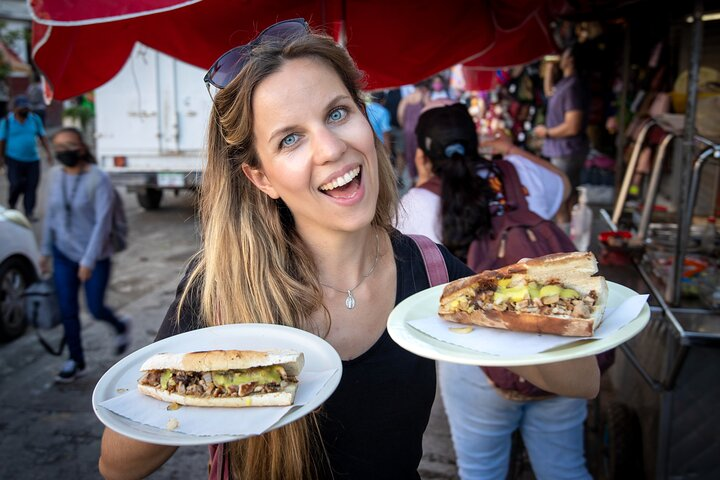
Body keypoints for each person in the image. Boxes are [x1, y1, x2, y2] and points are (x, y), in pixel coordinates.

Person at [98, 19, 600, 480]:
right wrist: (222, 383)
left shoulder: (428, 269)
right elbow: (117, 465)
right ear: (260, 177)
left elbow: (581, 382)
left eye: (337, 113)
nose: (330, 147)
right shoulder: (222, 288)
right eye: (290, 139)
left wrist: (532, 307)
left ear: (366, 117)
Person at [397, 103, 603, 480]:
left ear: (422, 156)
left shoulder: (416, 206)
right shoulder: (518, 172)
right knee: (565, 469)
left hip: (477, 363)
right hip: (558, 343)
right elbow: (564, 184)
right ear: (480, 143)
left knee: (482, 472)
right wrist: (514, 151)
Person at [39, 128, 131, 382]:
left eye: (68, 145)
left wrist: (88, 261)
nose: (63, 152)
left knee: (95, 308)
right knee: (68, 309)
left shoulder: (98, 179)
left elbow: (103, 223)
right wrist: (45, 251)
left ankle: (120, 325)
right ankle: (75, 360)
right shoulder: (54, 176)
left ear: (81, 147)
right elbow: (51, 216)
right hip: (62, 254)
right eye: (58, 147)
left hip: (95, 255)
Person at [533, 43, 590, 226]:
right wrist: (549, 69)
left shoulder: (573, 86)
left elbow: (573, 126)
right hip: (560, 150)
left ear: (570, 59)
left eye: (563, 54)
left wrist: (547, 132)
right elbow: (550, 92)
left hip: (566, 150)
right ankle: (567, 238)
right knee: (563, 197)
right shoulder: (565, 83)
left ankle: (566, 243)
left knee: (562, 198)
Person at [0, 95, 53, 221]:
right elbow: (1, 141)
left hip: (33, 159)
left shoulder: (35, 119)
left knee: (32, 186)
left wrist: (49, 154)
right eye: (22, 107)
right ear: (15, 108)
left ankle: (29, 212)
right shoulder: (6, 121)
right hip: (13, 159)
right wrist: (0, 158)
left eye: (26, 107)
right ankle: (12, 206)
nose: (25, 109)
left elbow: (42, 136)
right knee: (16, 183)